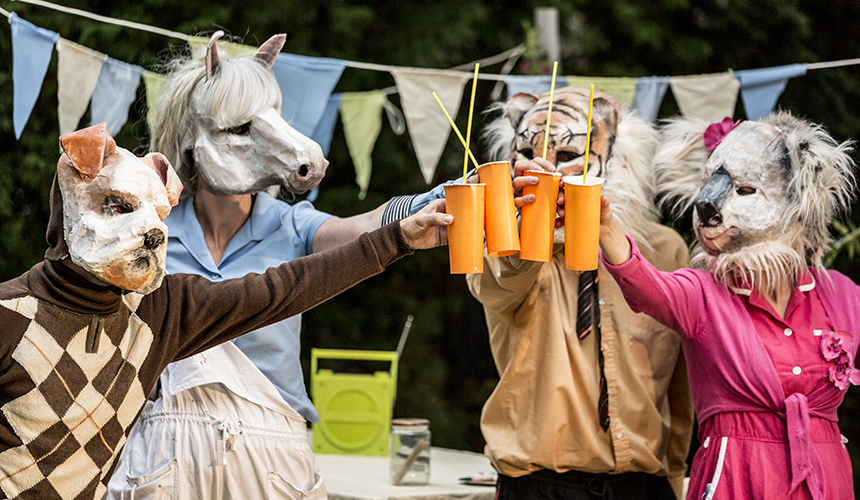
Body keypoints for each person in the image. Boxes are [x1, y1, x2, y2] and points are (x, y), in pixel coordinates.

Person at [0, 123, 450, 500]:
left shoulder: (160, 314)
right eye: (118, 206)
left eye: (158, 215)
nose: (148, 231)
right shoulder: (10, 314)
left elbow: (283, 289)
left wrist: (400, 237)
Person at [107, 32, 452, 498]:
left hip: (272, 452)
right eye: (240, 128)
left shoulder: (294, 226)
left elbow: (366, 226)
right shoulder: (150, 237)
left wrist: (440, 197)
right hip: (164, 448)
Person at [597, 111, 857, 499]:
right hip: (737, 477)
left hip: (825, 480)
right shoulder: (704, 295)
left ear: (798, 198)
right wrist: (605, 227)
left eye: (746, 189)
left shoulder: (841, 295)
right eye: (707, 184)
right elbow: (646, 287)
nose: (707, 203)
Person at [468, 86, 694, 499]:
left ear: (618, 160)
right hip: (540, 485)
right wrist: (528, 228)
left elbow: (681, 387)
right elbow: (497, 282)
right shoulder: (500, 246)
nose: (546, 171)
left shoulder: (666, 250)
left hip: (644, 484)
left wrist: (676, 476)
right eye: (529, 155)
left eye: (567, 156)